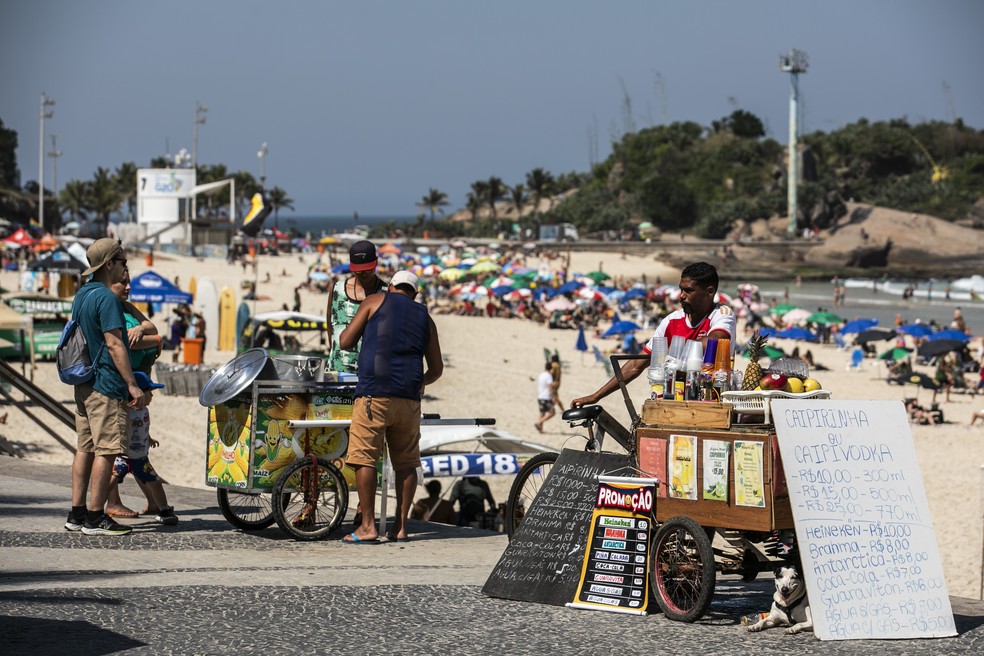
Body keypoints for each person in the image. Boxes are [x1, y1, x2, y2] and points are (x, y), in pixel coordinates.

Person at [338, 270, 443, 543]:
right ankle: (401, 527)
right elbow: (437, 369)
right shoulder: (425, 317)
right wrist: (421, 383)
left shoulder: (375, 300)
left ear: (392, 285)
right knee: (407, 462)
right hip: (409, 398)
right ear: (415, 293)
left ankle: (368, 527)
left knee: (364, 457)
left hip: (374, 393)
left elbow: (345, 341)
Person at [571, 262, 736, 408]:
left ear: (709, 292)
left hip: (711, 402)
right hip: (675, 401)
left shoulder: (721, 314)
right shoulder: (671, 321)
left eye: (688, 290)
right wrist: (597, 396)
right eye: (681, 289)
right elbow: (636, 365)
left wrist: (679, 348)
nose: (682, 295)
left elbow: (718, 338)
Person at [65, 238, 146, 536]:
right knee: (108, 450)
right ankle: (96, 517)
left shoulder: (82, 295)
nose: (125, 268)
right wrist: (132, 384)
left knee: (84, 447)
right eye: (122, 261)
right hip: (105, 383)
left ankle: (76, 513)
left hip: (83, 382)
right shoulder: (107, 298)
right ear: (109, 264)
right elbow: (114, 344)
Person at [103, 271, 175, 524]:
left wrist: (143, 331)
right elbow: (127, 344)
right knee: (114, 457)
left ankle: (157, 505)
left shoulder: (126, 307)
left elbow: (154, 331)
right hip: (119, 384)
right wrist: (150, 340)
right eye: (123, 282)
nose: (129, 286)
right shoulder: (106, 306)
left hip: (138, 381)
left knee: (137, 462)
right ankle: (104, 504)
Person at [325, 240, 386, 375]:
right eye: (359, 271)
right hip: (338, 370)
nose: (364, 274)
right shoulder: (337, 289)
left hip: (373, 374)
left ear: (376, 263)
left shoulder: (386, 293)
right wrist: (334, 352)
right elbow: (330, 324)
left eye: (368, 270)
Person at [533, 361, 555, 433]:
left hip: (540, 396)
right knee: (552, 413)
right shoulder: (549, 376)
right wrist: (552, 397)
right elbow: (550, 387)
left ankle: (540, 430)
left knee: (542, 413)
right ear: (551, 368)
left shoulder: (541, 375)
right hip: (546, 397)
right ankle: (539, 422)